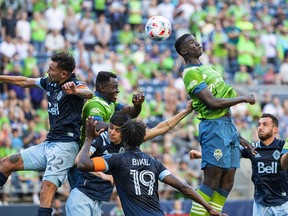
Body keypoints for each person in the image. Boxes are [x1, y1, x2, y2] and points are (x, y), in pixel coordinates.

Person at [0, 51, 93, 216]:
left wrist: (76, 92)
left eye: (51, 68)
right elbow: (23, 81)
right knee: (7, 162)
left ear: (63, 74)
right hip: (49, 144)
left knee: (46, 190)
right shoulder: (49, 82)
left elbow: (89, 93)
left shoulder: (74, 84)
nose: (47, 70)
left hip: (66, 146)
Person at [77, 117, 228, 216]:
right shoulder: (154, 162)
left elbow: (83, 163)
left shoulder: (116, 159)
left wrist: (89, 138)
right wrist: (209, 208)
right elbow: (183, 187)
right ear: (142, 139)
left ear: (124, 137)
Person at [174, 33, 256, 215]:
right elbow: (211, 102)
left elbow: (222, 102)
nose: (198, 44)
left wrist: (237, 135)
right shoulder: (190, 73)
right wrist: (242, 98)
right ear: (184, 50)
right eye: (192, 42)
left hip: (228, 125)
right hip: (213, 127)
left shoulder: (207, 68)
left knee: (228, 181)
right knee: (212, 179)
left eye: (196, 40)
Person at [66, 101, 193, 216]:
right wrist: (104, 176)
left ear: (125, 132)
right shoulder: (101, 138)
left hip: (98, 199)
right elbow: (79, 161)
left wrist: (186, 111)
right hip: (83, 194)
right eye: (110, 127)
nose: (111, 132)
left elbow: (161, 128)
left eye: (117, 130)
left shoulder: (130, 141)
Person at [190, 113, 288, 216]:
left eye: (265, 124)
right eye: (259, 124)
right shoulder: (252, 148)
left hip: (283, 204)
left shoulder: (283, 147)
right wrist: (202, 155)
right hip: (261, 205)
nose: (260, 127)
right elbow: (227, 154)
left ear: (275, 129)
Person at [67, 71, 145, 188]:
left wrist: (137, 105)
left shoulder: (110, 103)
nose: (117, 90)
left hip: (94, 163)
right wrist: (124, 130)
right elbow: (97, 125)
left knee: (93, 203)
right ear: (102, 88)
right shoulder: (95, 104)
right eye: (114, 87)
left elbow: (131, 112)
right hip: (84, 162)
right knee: (80, 200)